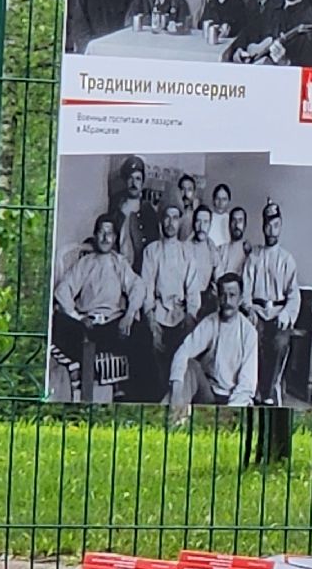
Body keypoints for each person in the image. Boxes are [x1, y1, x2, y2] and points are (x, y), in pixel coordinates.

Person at [52, 213, 147, 396]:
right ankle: (80, 371)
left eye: (109, 233)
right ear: (95, 236)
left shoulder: (119, 263)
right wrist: (78, 317)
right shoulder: (85, 263)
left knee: (142, 333)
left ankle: (136, 397)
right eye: (101, 233)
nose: (105, 237)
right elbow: (63, 291)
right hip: (85, 325)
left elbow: (138, 287)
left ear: (115, 238)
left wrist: (129, 315)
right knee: (58, 323)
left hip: (112, 325)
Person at [138, 203, 201, 400]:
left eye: (175, 217)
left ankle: (175, 399)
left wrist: (190, 317)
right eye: (167, 216)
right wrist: (151, 320)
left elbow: (192, 290)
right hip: (158, 314)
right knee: (150, 346)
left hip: (181, 316)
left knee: (182, 355)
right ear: (161, 220)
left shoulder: (187, 252)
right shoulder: (152, 251)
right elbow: (146, 288)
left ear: (180, 220)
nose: (171, 222)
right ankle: (157, 398)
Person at [168, 273, 258, 407]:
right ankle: (176, 415)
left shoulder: (249, 332)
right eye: (223, 295)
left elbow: (247, 384)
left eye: (232, 295)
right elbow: (183, 351)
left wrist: (227, 412)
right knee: (191, 365)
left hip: (232, 398)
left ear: (240, 299)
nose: (227, 301)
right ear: (218, 298)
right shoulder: (210, 322)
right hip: (208, 392)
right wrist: (176, 392)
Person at [243, 200, 300, 406]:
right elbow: (246, 291)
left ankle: (269, 392)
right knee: (252, 338)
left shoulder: (287, 259)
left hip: (278, 314)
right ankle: (254, 389)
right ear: (262, 226)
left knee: (279, 342)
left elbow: (294, 295)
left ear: (281, 226)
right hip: (258, 313)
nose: (271, 230)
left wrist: (284, 316)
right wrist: (249, 309)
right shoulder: (254, 257)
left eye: (275, 225)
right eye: (268, 225)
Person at [110, 155, 161, 275]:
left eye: (138, 179)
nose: (134, 183)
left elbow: (154, 245)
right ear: (125, 181)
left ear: (143, 182)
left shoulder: (149, 211)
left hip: (142, 271)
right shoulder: (116, 208)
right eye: (130, 178)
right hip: (119, 269)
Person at [188, 205, 220, 314]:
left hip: (206, 303)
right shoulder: (184, 249)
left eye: (206, 222)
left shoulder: (213, 249)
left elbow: (216, 280)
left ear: (210, 225)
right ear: (193, 223)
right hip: (186, 302)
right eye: (198, 221)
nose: (202, 226)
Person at [217, 206, 251, 279]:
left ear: (245, 225)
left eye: (240, 220)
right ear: (229, 224)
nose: (237, 224)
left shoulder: (249, 252)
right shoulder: (221, 250)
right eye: (234, 220)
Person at [207, 184, 234, 249]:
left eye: (224, 199)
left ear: (229, 201)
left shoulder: (232, 220)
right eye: (217, 199)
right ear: (213, 200)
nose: (220, 202)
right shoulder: (207, 218)